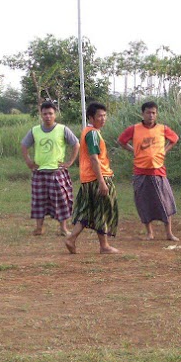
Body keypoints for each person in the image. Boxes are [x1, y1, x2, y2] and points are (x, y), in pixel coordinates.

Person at [118, 101, 179, 241]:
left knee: (166, 203)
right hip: (141, 172)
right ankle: (149, 233)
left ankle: (169, 233)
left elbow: (174, 139)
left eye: (153, 113)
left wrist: (164, 151)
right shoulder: (134, 129)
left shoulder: (163, 129)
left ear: (156, 114)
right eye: (148, 112)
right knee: (144, 203)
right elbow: (121, 141)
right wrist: (133, 150)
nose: (151, 115)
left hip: (159, 171)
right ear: (142, 113)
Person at [65, 102, 120, 254]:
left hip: (88, 178)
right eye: (99, 116)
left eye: (104, 115)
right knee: (102, 210)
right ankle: (104, 246)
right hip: (97, 177)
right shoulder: (93, 134)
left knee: (88, 211)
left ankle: (71, 238)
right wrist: (102, 181)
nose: (103, 119)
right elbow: (94, 158)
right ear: (91, 117)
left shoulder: (88, 131)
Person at [21, 101, 79, 236]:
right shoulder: (34, 130)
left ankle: (63, 228)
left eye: (50, 113)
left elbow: (76, 144)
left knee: (61, 200)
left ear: (55, 114)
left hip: (57, 172)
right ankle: (39, 228)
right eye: (45, 113)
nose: (48, 116)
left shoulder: (62, 129)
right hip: (39, 172)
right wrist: (29, 161)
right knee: (39, 200)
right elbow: (24, 145)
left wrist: (70, 162)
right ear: (41, 114)